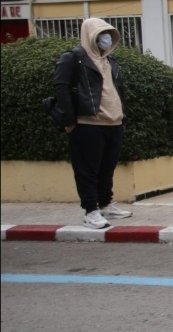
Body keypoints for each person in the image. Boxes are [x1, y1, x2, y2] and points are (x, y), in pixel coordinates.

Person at [53, 18, 133, 229]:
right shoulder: (73, 58)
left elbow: (118, 90)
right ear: (90, 36)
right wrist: (69, 120)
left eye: (108, 34)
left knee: (107, 167)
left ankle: (105, 204)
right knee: (87, 169)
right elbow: (61, 87)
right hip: (87, 123)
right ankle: (91, 211)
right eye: (100, 35)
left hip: (114, 123)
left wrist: (123, 117)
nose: (106, 39)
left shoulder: (110, 60)